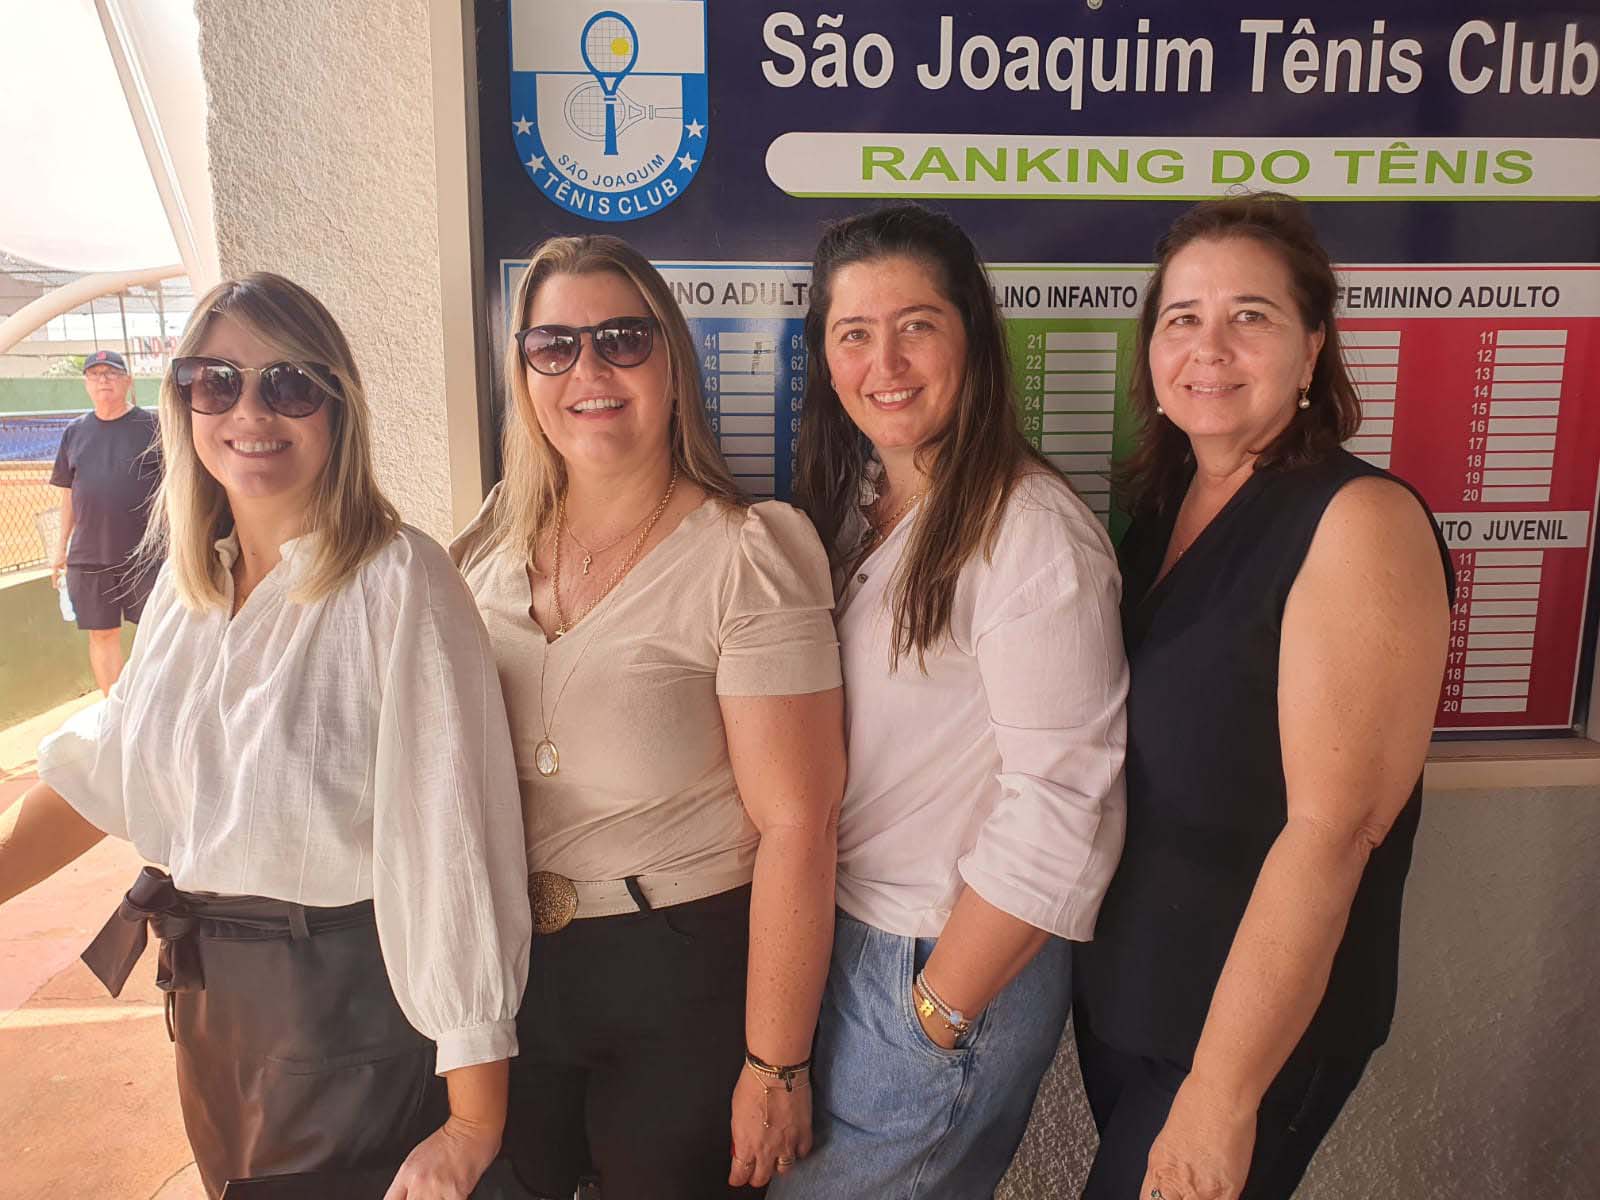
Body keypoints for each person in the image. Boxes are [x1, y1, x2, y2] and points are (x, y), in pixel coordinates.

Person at [0, 273, 531, 1200]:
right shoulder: (185, 590)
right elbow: (109, 773)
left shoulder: (400, 583)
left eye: (289, 384)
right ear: (183, 403)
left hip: (343, 1016)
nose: (251, 411)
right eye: (216, 382)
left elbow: (453, 845)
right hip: (211, 1012)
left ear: (337, 407)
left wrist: (472, 1122)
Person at [1071, 192, 1453, 1200]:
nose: (1209, 347)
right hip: (1133, 1001)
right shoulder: (1158, 512)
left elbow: (1334, 832)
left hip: (1247, 1038)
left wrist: (1222, 1096)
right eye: (1181, 319)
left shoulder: (1357, 520)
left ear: (1311, 348)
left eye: (1250, 316)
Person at [450, 235, 845, 1199]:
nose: (587, 369)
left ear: (673, 358)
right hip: (509, 981)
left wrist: (776, 1064)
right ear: (524, 372)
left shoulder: (748, 551)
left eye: (622, 338)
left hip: (678, 973)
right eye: (553, 347)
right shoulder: (487, 546)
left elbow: (800, 825)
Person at [769, 203, 1128, 1200]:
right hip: (843, 943)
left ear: (970, 335)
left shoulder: (1030, 535)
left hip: (933, 961)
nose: (885, 360)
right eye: (853, 333)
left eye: (917, 324)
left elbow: (1064, 804)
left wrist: (937, 1014)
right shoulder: (852, 510)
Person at [50, 347, 162, 694]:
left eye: (112, 374)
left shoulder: (153, 425)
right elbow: (68, 492)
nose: (103, 381)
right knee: (102, 634)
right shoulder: (74, 432)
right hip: (89, 555)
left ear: (127, 382)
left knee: (154, 632)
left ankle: (150, 705)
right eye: (96, 375)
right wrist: (60, 549)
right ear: (86, 384)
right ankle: (112, 709)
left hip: (146, 556)